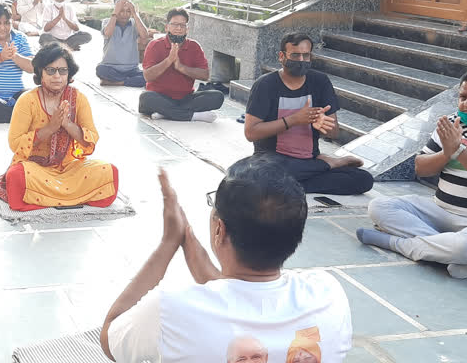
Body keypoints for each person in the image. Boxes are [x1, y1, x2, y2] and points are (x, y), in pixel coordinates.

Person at [101, 154, 352, 362]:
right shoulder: (328, 294)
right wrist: (188, 240)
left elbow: (110, 339)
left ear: (219, 230)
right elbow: (236, 297)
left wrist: (168, 244)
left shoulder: (171, 310)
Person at [358, 69, 467, 279]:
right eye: (463, 97)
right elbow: (421, 168)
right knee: (380, 206)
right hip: (442, 212)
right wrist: (447, 152)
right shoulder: (451, 124)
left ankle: (399, 244)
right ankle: (449, 252)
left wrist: (459, 150)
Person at [0, 42, 119, 211]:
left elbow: (91, 139)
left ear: (69, 74)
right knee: (16, 176)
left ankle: (46, 198)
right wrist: (50, 128)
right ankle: (72, 197)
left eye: (62, 70)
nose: (57, 76)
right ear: (40, 74)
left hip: (69, 168)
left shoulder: (78, 99)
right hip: (35, 169)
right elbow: (15, 143)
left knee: (109, 171)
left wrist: (67, 124)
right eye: (50, 70)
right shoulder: (27, 100)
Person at [244, 33, 373, 196]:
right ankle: (330, 164)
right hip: (272, 159)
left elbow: (334, 132)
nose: (301, 60)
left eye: (306, 55)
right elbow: (250, 133)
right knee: (265, 175)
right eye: (295, 55)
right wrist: (294, 119)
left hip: (307, 160)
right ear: (282, 56)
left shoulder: (320, 82)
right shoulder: (265, 84)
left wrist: (323, 125)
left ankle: (287, 185)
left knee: (363, 179)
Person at [138, 8, 223, 122]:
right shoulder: (154, 45)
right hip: (159, 96)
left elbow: (205, 75)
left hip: (186, 98)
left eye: (182, 25)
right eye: (175, 24)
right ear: (167, 27)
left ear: (187, 29)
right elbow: (147, 77)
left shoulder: (194, 46)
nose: (178, 28)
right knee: (146, 98)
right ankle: (193, 116)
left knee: (217, 97)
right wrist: (169, 60)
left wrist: (180, 67)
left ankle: (166, 113)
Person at [96, 0, 149, 88]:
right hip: (110, 67)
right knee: (100, 70)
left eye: (128, 11)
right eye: (121, 11)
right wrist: (115, 12)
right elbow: (108, 33)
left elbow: (145, 36)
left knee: (148, 77)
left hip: (131, 69)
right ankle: (129, 81)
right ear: (116, 11)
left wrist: (135, 14)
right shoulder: (107, 21)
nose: (125, 14)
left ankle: (117, 82)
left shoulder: (134, 23)